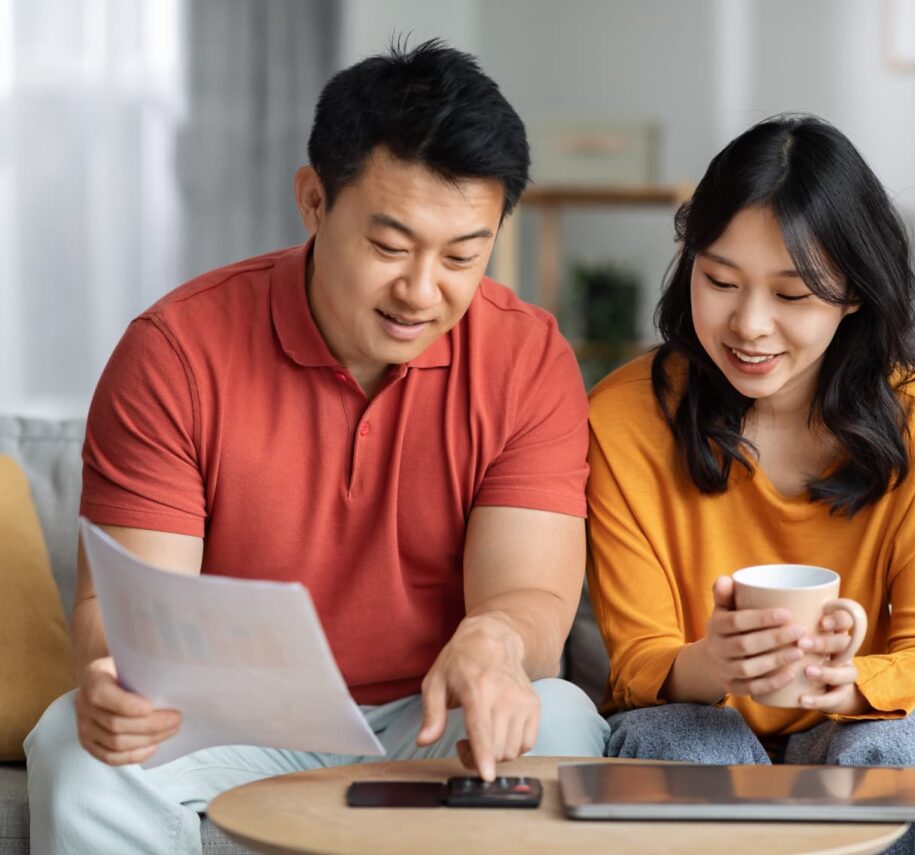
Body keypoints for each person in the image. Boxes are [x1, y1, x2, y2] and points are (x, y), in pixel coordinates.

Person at [26, 39, 608, 854]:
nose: (421, 290)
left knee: (566, 716)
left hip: (430, 715)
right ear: (312, 200)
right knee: (72, 747)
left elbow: (533, 602)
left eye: (461, 256)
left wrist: (496, 641)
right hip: (225, 719)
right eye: (390, 246)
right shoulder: (176, 352)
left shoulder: (527, 357)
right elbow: (122, 613)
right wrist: (117, 685)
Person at [585, 115, 915, 853]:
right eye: (719, 280)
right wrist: (708, 664)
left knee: (912, 753)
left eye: (794, 295)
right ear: (690, 265)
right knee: (686, 743)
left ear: (854, 295)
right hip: (691, 725)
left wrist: (845, 683)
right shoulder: (622, 417)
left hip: (845, 732)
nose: (749, 324)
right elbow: (636, 662)